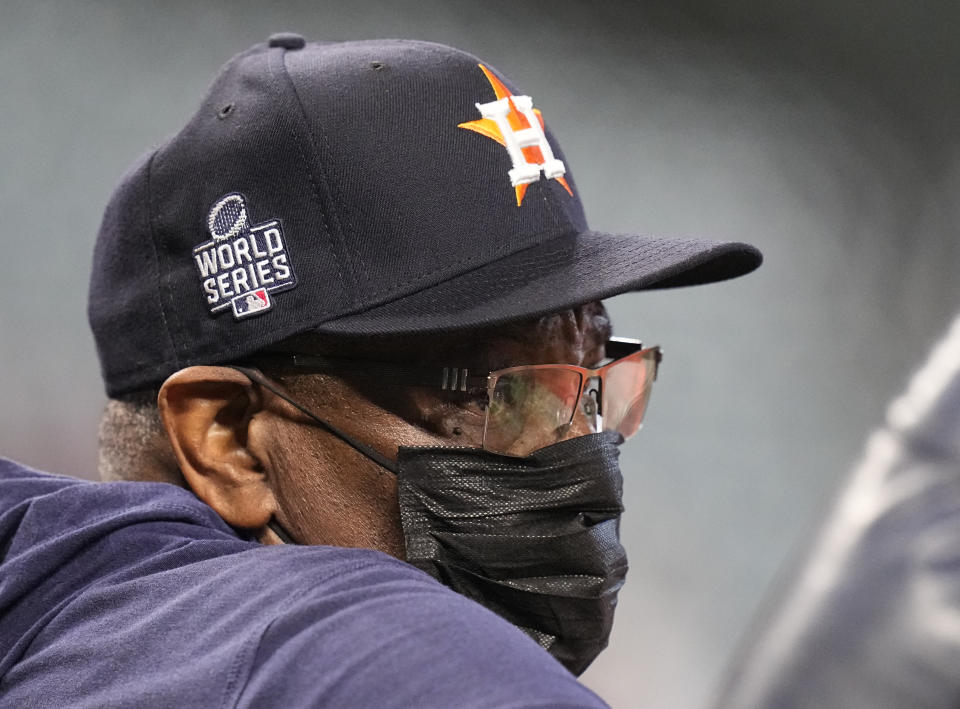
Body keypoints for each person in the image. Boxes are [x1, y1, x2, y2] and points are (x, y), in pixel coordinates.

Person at [0, 35, 761, 706]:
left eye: (596, 385)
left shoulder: (68, 630)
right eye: (502, 395)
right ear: (226, 439)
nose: (577, 457)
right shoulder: (349, 643)